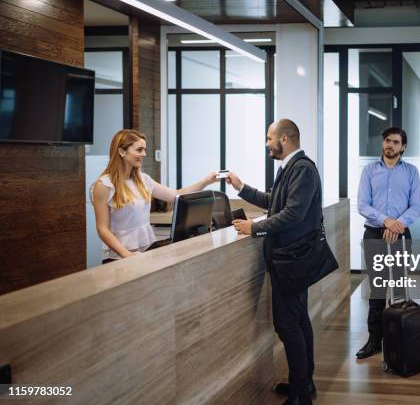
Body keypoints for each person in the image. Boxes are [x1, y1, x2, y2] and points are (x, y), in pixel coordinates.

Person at [226, 119, 321, 405]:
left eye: (270, 138)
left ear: (286, 138)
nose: (267, 144)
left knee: (288, 325)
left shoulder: (302, 169)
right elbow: (275, 202)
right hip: (289, 259)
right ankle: (303, 382)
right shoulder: (291, 168)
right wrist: (241, 187)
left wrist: (254, 228)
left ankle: (300, 393)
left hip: (291, 260)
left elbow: (293, 214)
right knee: (299, 320)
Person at [91, 129, 217, 263]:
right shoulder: (103, 185)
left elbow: (176, 195)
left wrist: (206, 181)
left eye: (144, 150)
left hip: (147, 250)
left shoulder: (143, 179)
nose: (144, 154)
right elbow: (102, 229)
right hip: (118, 257)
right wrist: (127, 255)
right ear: (122, 152)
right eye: (139, 150)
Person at [354, 127, 420, 359]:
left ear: (403, 147)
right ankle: (375, 339)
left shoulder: (411, 172)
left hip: (401, 236)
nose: (389, 145)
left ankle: (400, 339)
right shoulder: (369, 171)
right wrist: (387, 222)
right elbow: (363, 205)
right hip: (374, 234)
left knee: (401, 289)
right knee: (378, 289)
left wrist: (397, 225)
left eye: (395, 142)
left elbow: (416, 206)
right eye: (387, 140)